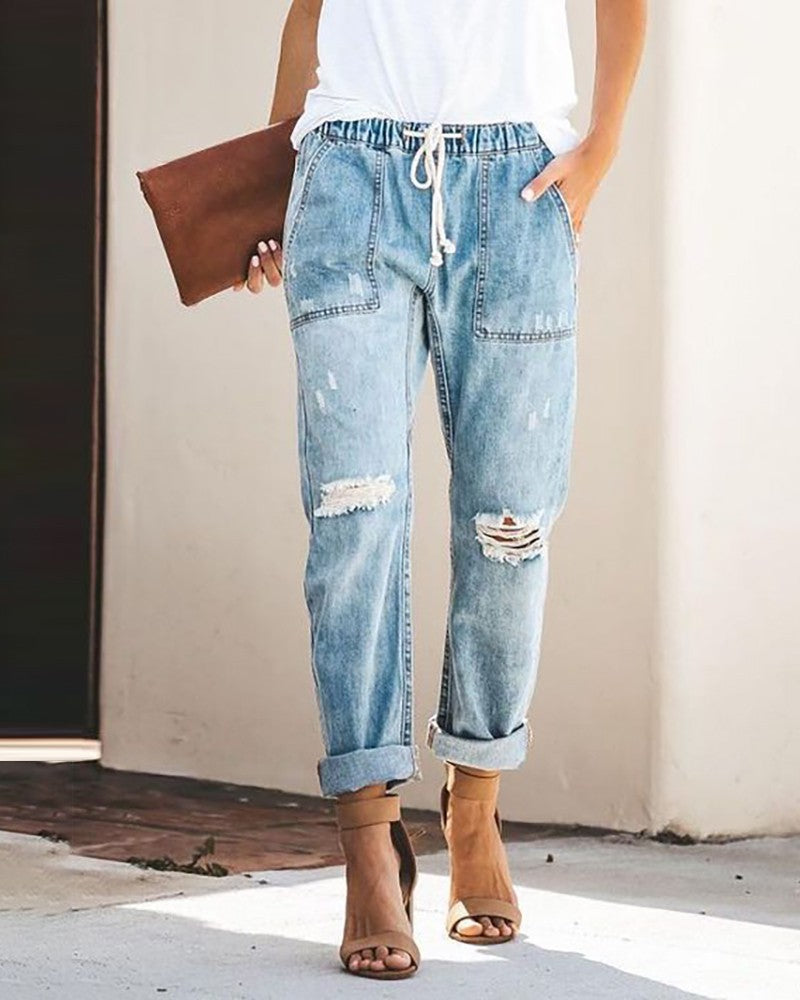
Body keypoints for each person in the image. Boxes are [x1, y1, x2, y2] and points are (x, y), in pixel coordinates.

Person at [236, 0, 646, 981]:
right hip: (348, 175)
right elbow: (308, 12)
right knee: (353, 513)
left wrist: (601, 145)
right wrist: (270, 189)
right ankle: (368, 842)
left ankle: (474, 808)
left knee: (511, 523)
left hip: (516, 182)